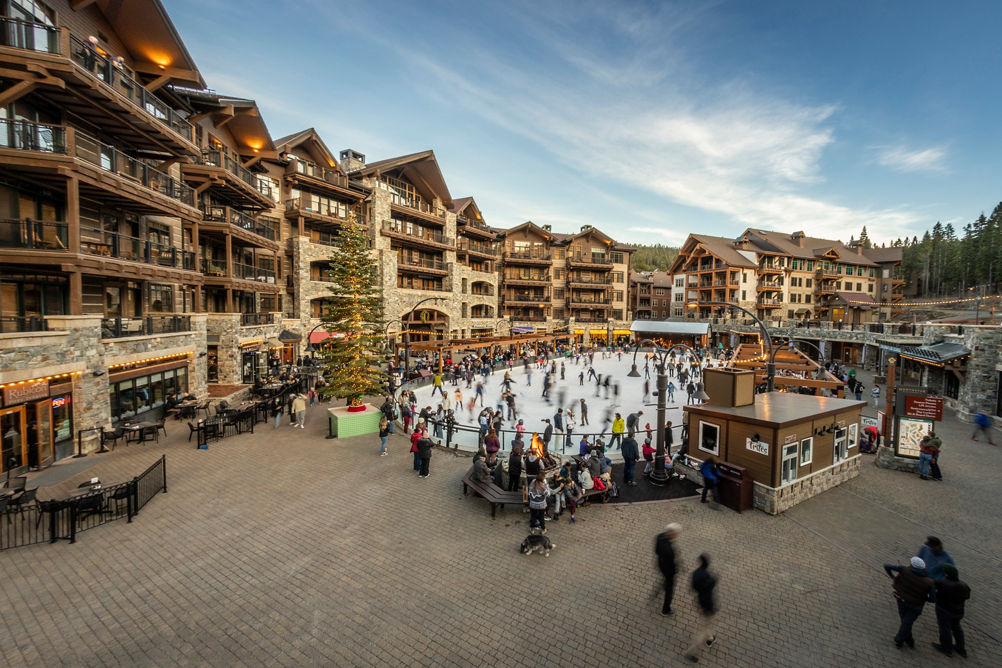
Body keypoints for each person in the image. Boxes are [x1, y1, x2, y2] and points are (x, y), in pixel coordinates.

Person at [884, 556, 934, 649]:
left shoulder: (904, 570)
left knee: (905, 622)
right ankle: (907, 641)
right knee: (907, 622)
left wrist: (893, 577)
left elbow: (887, 566)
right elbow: (932, 599)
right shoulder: (929, 582)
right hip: (916, 605)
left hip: (902, 600)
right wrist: (924, 598)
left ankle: (901, 640)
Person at [684, 554, 719, 663]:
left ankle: (710, 638)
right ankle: (691, 652)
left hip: (700, 603)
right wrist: (714, 579)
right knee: (702, 630)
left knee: (707, 624)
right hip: (708, 606)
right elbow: (711, 585)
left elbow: (692, 588)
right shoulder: (708, 578)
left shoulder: (695, 573)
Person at [932, 563, 970, 658]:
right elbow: (967, 596)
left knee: (945, 629)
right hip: (958, 611)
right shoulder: (964, 585)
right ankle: (961, 648)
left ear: (947, 574)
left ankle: (946, 648)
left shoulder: (942, 583)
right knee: (957, 629)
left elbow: (933, 587)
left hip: (944, 610)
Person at [655, 523, 681, 616]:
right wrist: (675, 571)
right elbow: (672, 565)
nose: (677, 535)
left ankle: (664, 584)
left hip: (660, 564)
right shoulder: (669, 550)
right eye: (677, 534)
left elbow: (657, 551)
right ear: (672, 535)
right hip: (668, 571)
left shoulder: (659, 536)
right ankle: (665, 610)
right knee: (669, 590)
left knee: (666, 581)